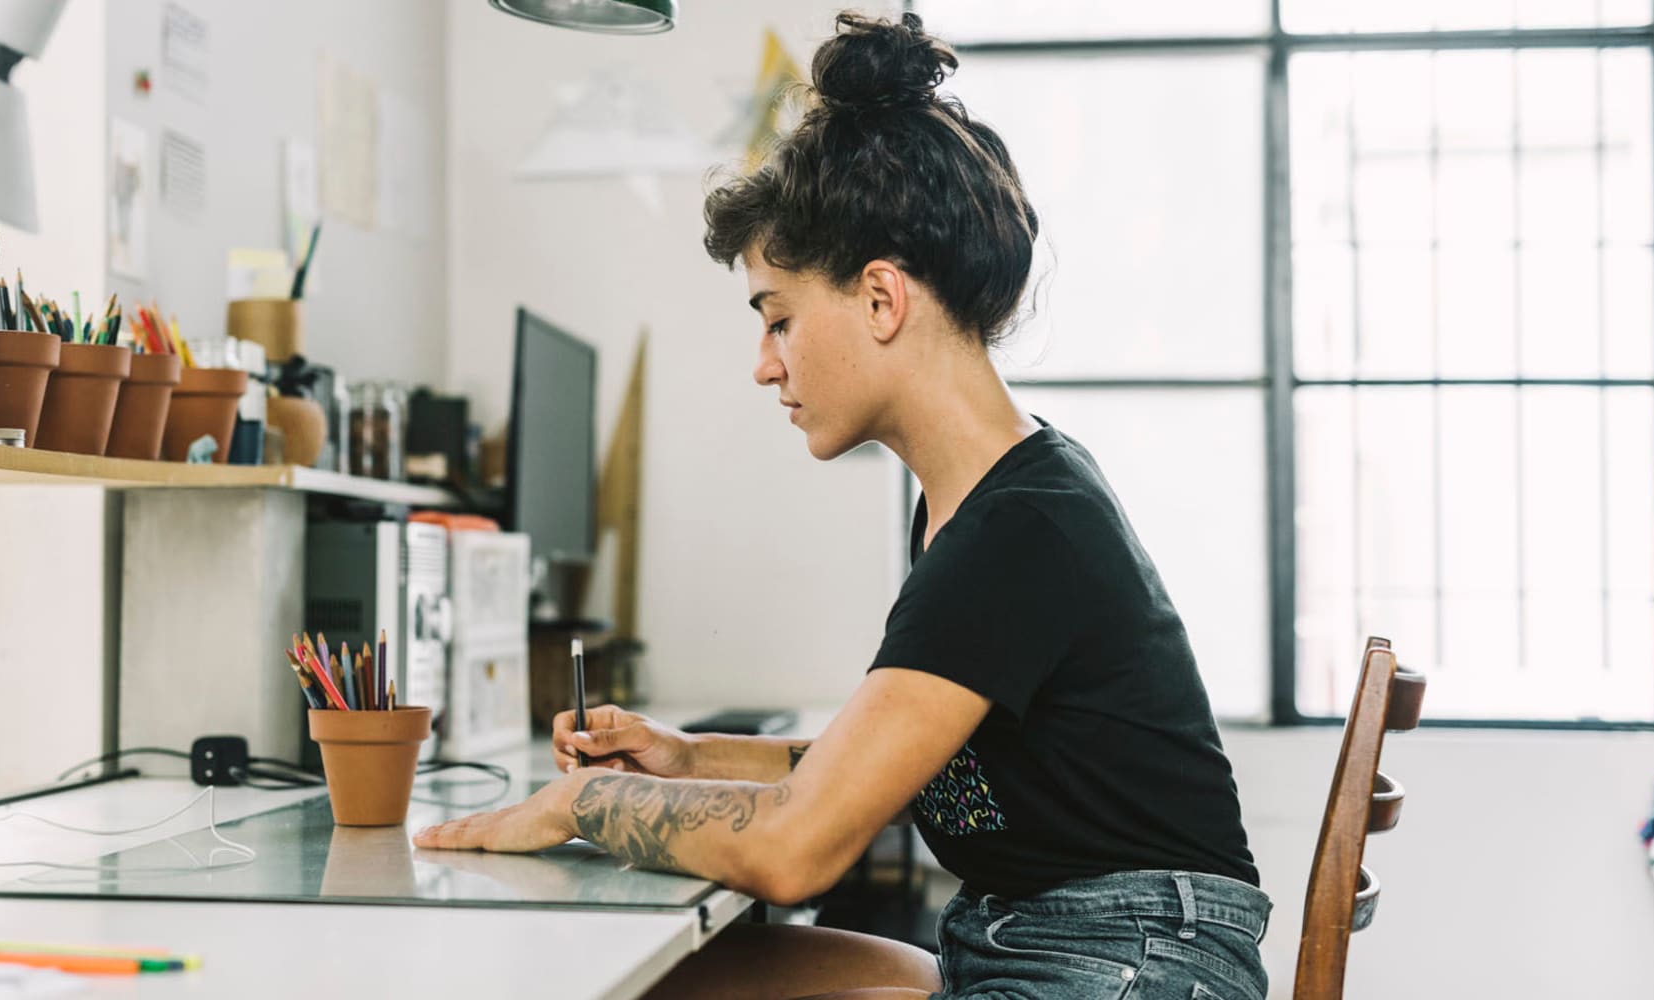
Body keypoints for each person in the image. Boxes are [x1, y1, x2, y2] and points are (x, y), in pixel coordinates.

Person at [413, 11, 1269, 999]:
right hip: (1041, 946)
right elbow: (891, 761)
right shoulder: (982, 502)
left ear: (878, 299)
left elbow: (795, 852)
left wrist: (583, 802)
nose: (763, 364)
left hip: (1132, 968)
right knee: (688, 979)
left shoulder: (1017, 529)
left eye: (777, 318)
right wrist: (686, 759)